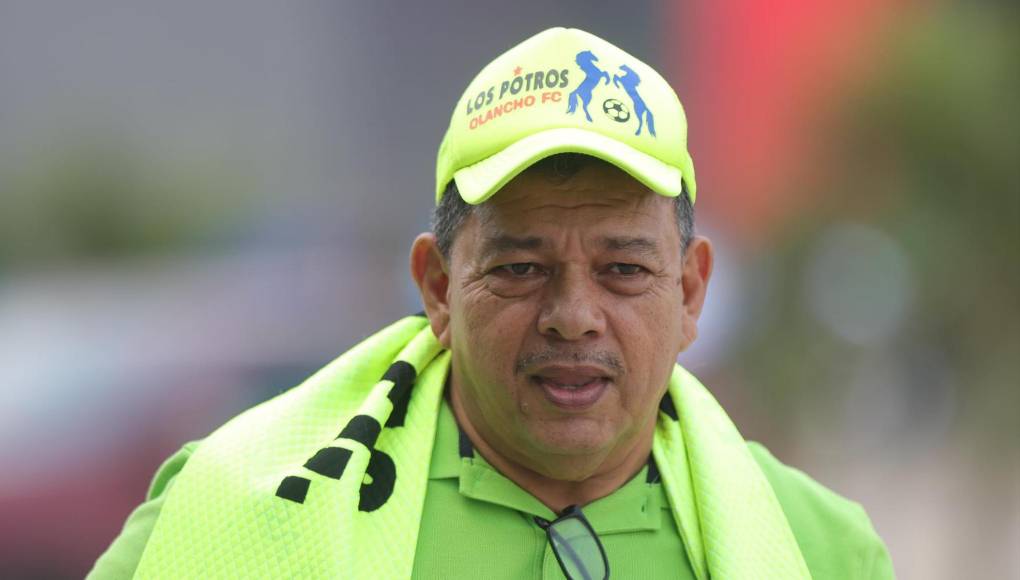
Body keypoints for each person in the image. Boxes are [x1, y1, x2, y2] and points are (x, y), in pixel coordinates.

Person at [88, 27, 894, 579]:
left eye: (622, 269)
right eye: (519, 268)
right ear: (438, 288)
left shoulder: (819, 551)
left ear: (689, 292)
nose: (572, 315)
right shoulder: (234, 510)